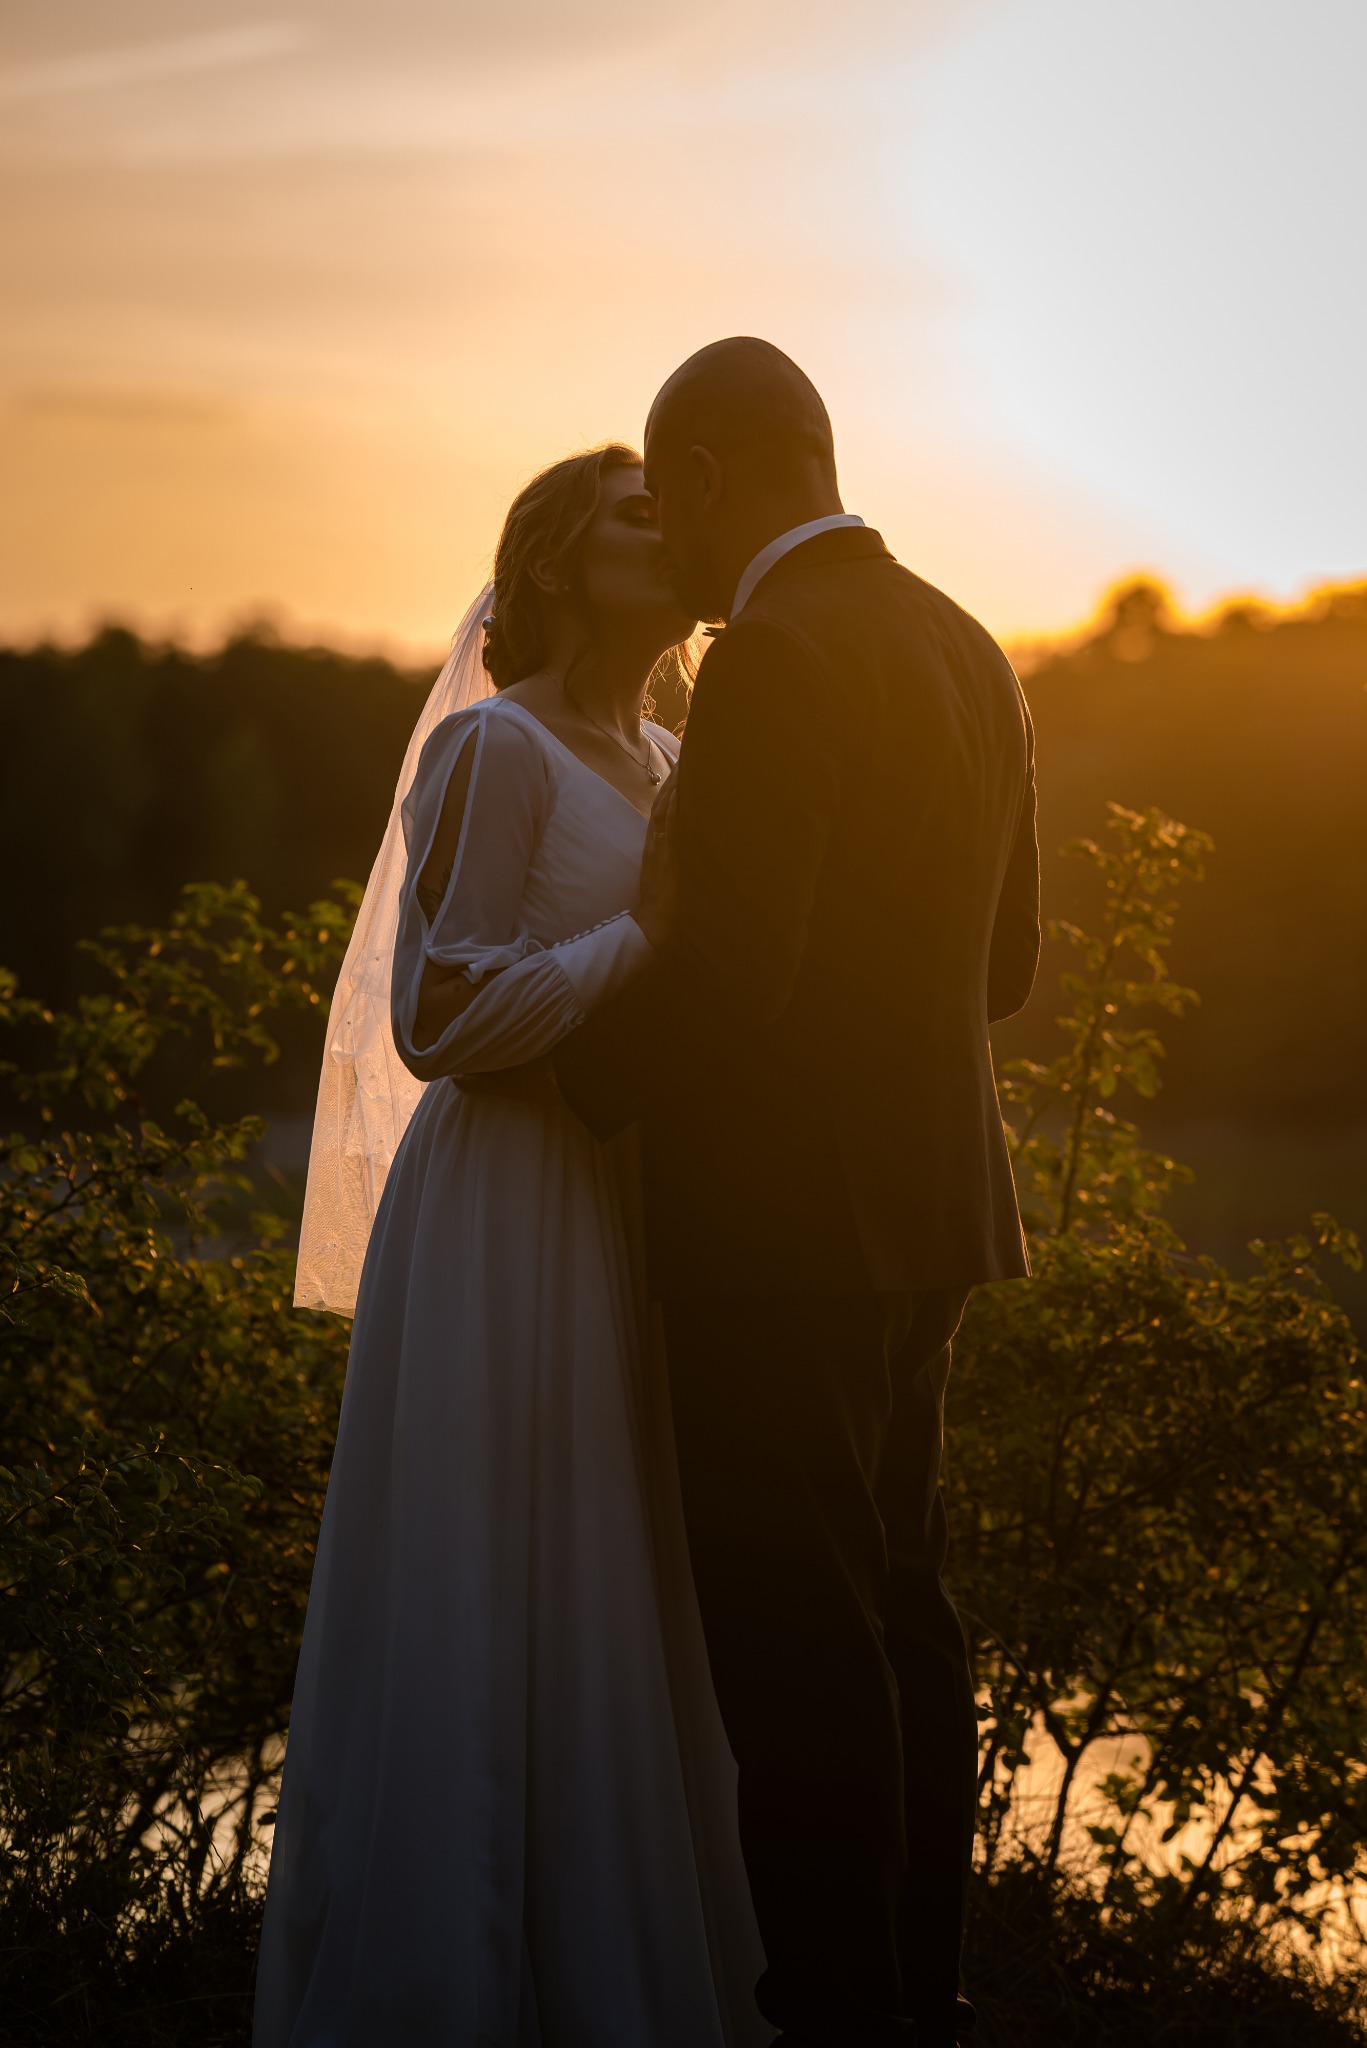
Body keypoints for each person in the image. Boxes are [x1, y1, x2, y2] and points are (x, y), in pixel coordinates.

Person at [554, 339, 1041, 2048]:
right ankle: (914, 1998)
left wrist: (555, 1088)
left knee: (797, 1657)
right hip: (933, 1215)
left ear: (704, 477)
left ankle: (834, 2018)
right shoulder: (969, 643)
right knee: (901, 1619)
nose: (672, 549)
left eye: (667, 499)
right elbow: (1005, 970)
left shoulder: (773, 654)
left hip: (777, 1239)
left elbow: (730, 979)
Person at [254, 444, 769, 2048]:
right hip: (509, 1207)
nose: (671, 533)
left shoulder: (675, 759)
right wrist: (641, 936)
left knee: (625, 1577)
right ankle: (454, 1985)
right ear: (552, 562)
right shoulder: (495, 747)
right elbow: (441, 1017)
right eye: (637, 514)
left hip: (633, 1205)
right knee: (496, 1577)